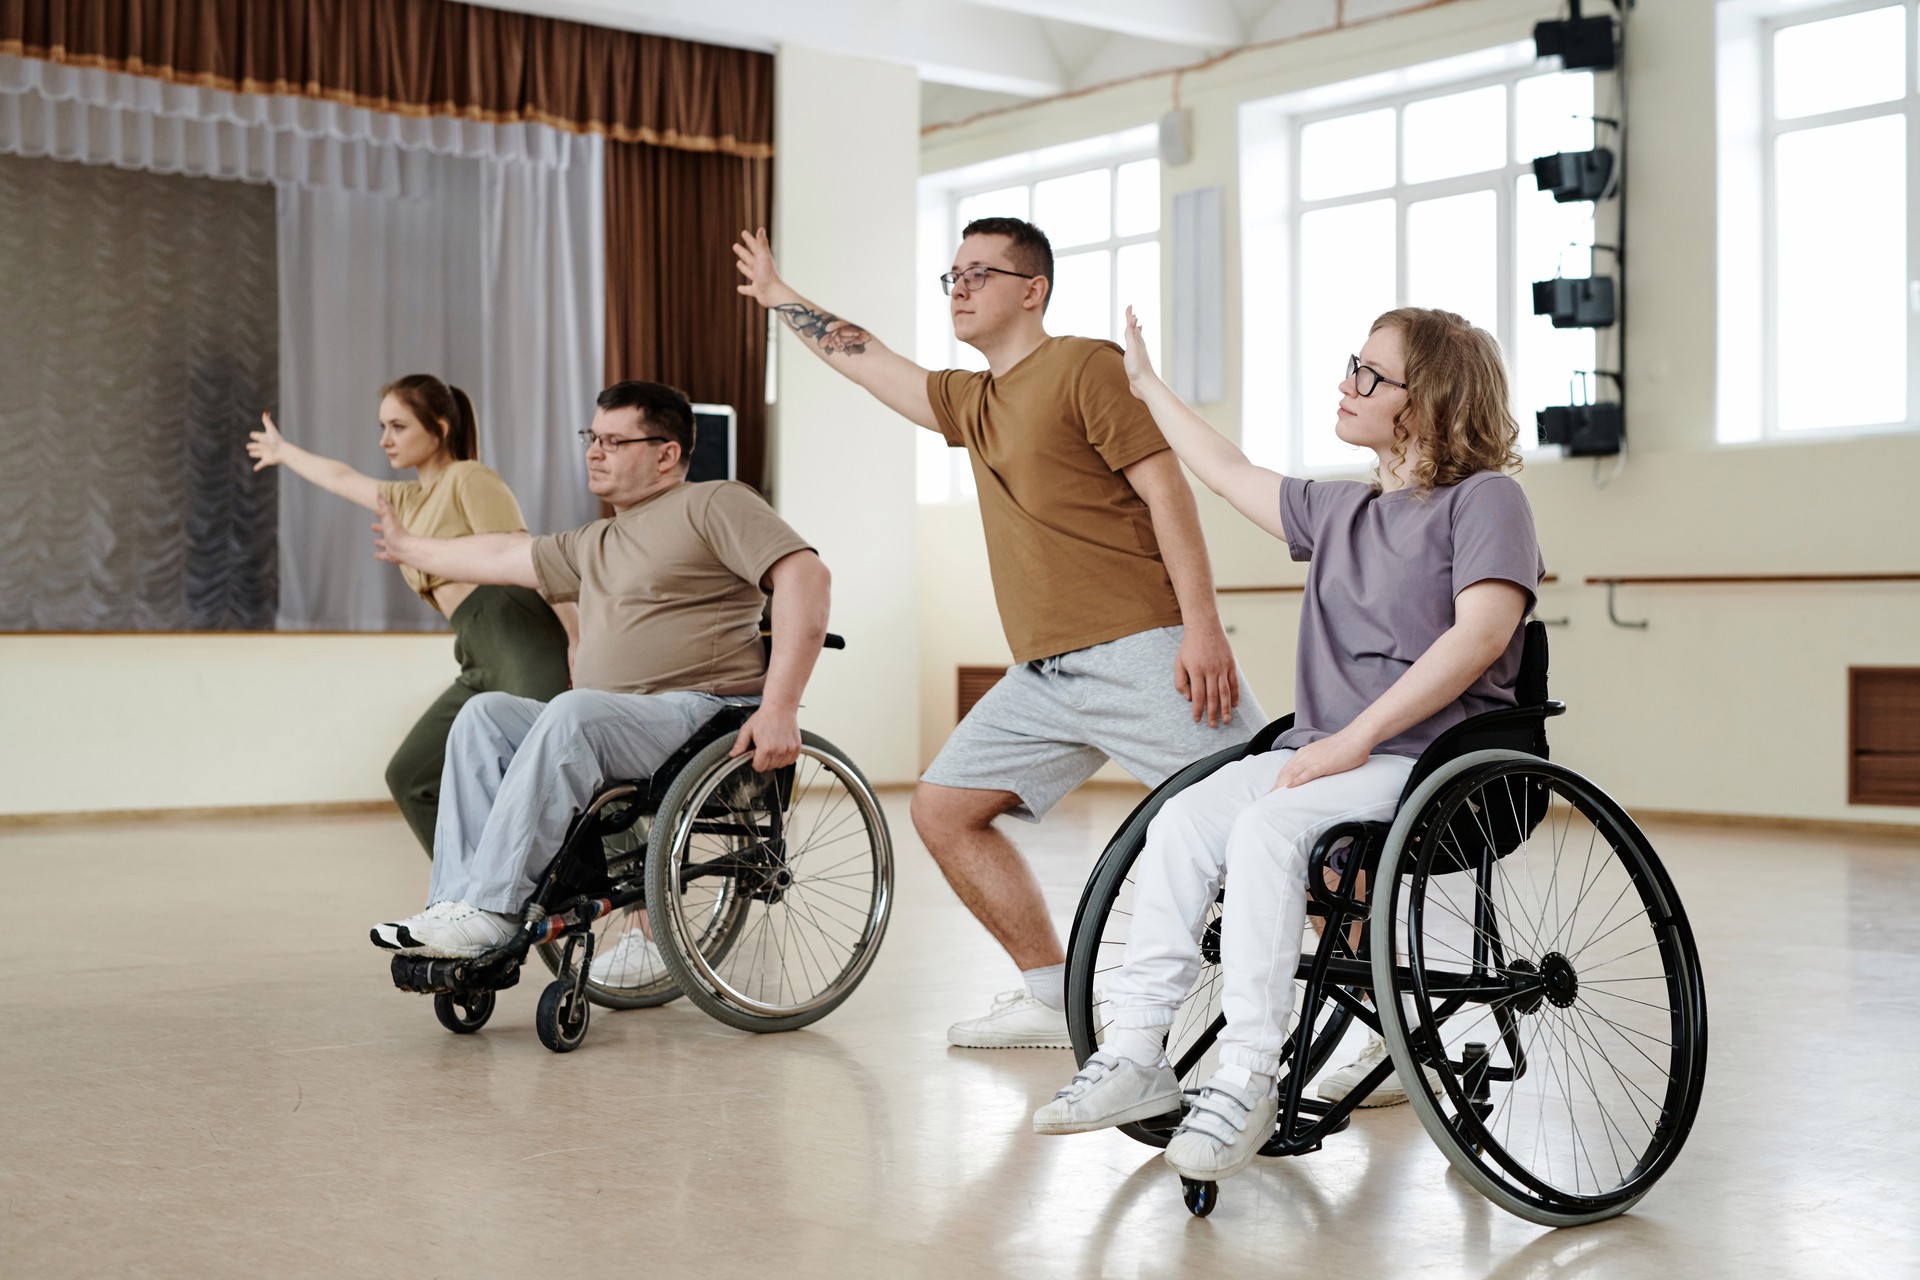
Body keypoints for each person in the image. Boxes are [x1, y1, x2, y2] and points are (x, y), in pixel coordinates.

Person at [1032, 307, 1544, 1186]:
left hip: (1434, 764)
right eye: (1355, 366)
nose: (1346, 385)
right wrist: (1148, 385)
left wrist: (1355, 738)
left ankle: (1247, 1079)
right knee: (1185, 817)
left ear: (1424, 403)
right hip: (1331, 755)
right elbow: (1227, 471)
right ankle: (1136, 1052)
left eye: (1369, 374)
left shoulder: (1485, 501)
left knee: (1271, 829)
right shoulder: (1340, 508)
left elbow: (1483, 635)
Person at [734, 217, 1265, 1050]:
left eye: (980, 274)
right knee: (944, 810)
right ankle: (1053, 995)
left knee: (1267, 825)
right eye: (952, 276)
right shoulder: (970, 401)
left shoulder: (1085, 365)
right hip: (1044, 674)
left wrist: (1203, 629)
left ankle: (1381, 1021)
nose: (961, 288)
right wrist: (779, 297)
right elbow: (865, 355)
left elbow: (1169, 493)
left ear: (1033, 289)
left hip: (1142, 649)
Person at [363, 380, 831, 974]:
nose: (594, 451)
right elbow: (502, 558)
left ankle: (493, 908)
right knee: (484, 715)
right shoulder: (597, 539)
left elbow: (807, 577)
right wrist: (409, 547)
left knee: (573, 710)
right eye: (592, 437)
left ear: (666, 452)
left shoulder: (714, 503)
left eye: (614, 440)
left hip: (698, 712)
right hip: (618, 717)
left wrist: (782, 705)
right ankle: (456, 905)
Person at [247, 376, 572, 856]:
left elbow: (523, 556)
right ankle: (482, 900)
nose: (385, 439)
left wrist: (578, 640)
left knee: (563, 769)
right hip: (475, 646)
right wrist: (283, 452)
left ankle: (643, 912)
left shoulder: (469, 478)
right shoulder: (403, 499)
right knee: (412, 775)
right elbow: (340, 478)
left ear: (439, 428)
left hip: (517, 629)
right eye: (382, 426)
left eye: (398, 426)